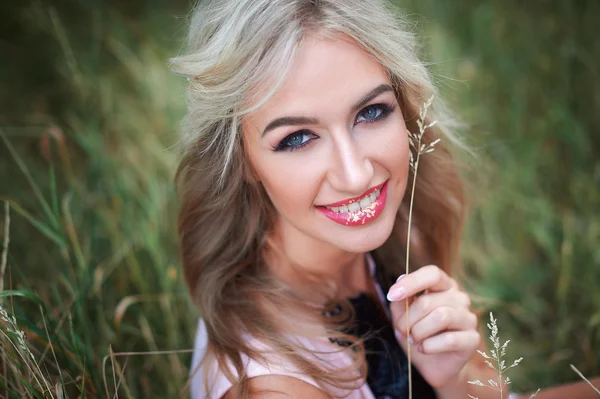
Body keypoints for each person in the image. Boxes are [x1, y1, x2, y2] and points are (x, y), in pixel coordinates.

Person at [170, 1, 600, 398]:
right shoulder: (275, 386)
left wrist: (457, 380)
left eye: (371, 112)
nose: (356, 175)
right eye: (298, 138)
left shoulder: (397, 238)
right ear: (241, 160)